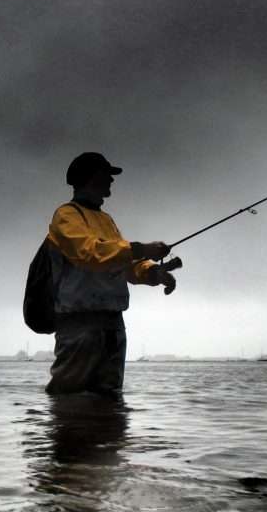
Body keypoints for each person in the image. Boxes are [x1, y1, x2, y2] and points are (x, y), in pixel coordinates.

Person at [44, 152, 178, 395]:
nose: (112, 181)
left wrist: (153, 273)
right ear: (91, 177)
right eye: (108, 175)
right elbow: (90, 253)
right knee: (70, 401)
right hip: (79, 326)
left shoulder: (107, 220)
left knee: (109, 402)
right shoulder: (66, 215)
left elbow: (122, 263)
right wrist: (140, 248)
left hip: (113, 327)